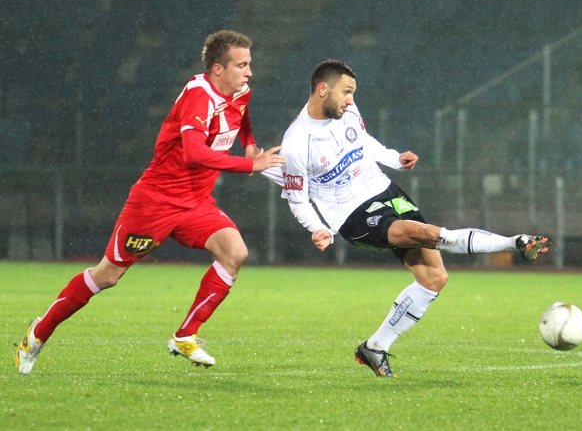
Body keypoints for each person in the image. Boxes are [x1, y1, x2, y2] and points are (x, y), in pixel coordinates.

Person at [15, 30, 286, 375]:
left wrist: (249, 143)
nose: (249, 72)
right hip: (155, 203)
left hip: (196, 201)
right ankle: (38, 333)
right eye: (242, 65)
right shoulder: (199, 98)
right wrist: (251, 164)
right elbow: (195, 152)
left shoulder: (239, 91)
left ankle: (185, 336)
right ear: (218, 69)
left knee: (235, 253)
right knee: (107, 276)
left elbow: (241, 116)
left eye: (250, 64)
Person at [277, 59, 549, 378]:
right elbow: (297, 198)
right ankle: (514, 241)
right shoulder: (296, 143)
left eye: (353, 93)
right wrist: (318, 227)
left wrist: (394, 158)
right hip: (353, 215)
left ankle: (374, 348)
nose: (351, 100)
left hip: (386, 190)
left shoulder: (347, 112)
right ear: (323, 89)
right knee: (426, 233)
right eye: (346, 92)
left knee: (435, 278)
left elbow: (364, 144)